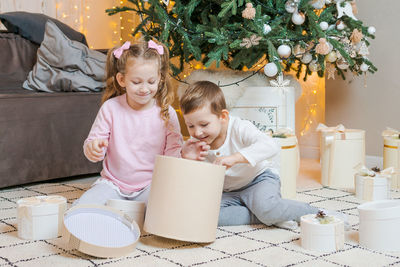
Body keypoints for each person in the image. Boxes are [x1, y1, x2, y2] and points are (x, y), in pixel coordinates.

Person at [180, 81, 347, 230]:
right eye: (190, 126)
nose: (198, 132)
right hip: (228, 191)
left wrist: (236, 157)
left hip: (258, 180)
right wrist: (188, 159)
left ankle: (319, 213)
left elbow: (270, 145)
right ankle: (267, 216)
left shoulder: (239, 127)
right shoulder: (196, 144)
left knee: (266, 206)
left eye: (204, 124)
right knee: (206, 214)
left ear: (223, 116)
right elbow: (197, 181)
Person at [74, 40, 207, 206]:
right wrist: (93, 148)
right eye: (136, 82)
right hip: (112, 184)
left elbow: (171, 154)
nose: (144, 89)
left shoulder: (166, 112)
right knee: (82, 209)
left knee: (171, 206)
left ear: (159, 79)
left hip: (151, 186)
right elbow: (92, 145)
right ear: (122, 80)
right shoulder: (111, 108)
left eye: (151, 82)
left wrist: (183, 155)